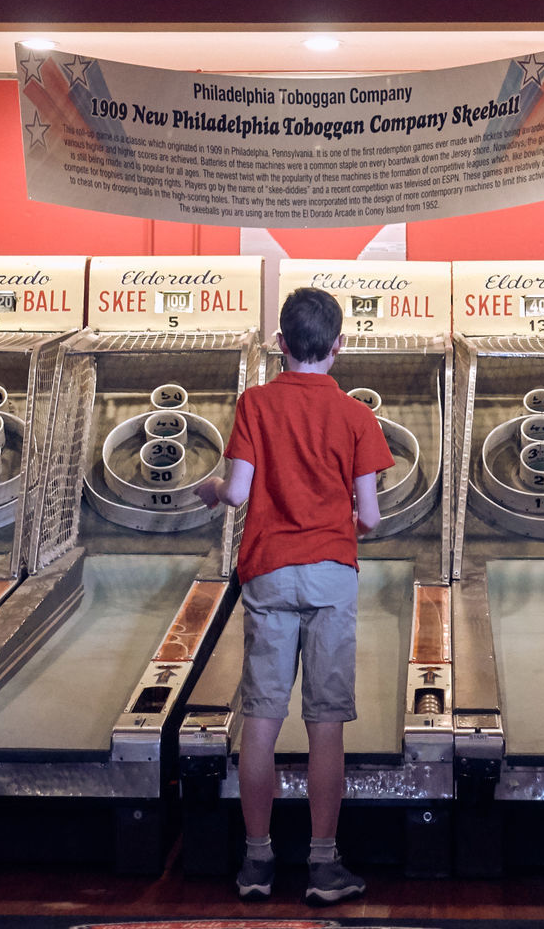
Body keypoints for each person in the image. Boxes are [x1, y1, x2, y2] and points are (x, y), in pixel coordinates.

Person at [198, 286, 391, 905]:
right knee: (325, 723)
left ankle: (256, 863)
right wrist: (335, 515)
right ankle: (325, 866)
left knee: (261, 717)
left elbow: (235, 494)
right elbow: (372, 517)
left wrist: (206, 490)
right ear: (340, 346)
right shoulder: (358, 416)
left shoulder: (254, 404)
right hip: (332, 571)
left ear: (280, 344)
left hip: (269, 572)